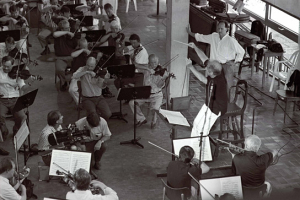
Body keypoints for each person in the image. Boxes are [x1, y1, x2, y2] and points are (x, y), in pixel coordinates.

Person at [187, 20, 245, 95]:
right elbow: (201, 37)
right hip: (214, 66)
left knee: (227, 87)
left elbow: (242, 52)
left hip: (226, 66)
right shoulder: (214, 36)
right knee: (211, 85)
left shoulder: (231, 41)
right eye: (218, 28)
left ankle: (228, 103)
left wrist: (235, 62)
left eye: (222, 29)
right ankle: (211, 102)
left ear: (227, 29)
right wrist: (189, 32)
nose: (219, 31)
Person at [129, 54, 168, 128]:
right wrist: (147, 69)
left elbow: (159, 85)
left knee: (156, 108)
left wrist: (164, 78)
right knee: (132, 103)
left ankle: (154, 120)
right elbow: (136, 65)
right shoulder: (146, 68)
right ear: (149, 62)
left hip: (157, 95)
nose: (154, 65)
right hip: (145, 94)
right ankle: (141, 119)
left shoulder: (161, 71)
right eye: (152, 62)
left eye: (155, 63)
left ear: (158, 62)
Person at [72, 57, 113, 121]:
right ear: (86, 63)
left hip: (99, 97)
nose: (89, 67)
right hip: (87, 98)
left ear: (95, 65)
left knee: (108, 114)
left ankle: (99, 124)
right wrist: (86, 72)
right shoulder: (82, 69)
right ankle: (94, 125)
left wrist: (102, 79)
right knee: (93, 115)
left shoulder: (100, 71)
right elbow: (74, 76)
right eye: (88, 65)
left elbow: (102, 86)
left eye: (91, 66)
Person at [0, 56, 27, 139]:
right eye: (4, 65)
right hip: (1, 99)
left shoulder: (17, 72)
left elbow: (23, 86)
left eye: (8, 66)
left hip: (15, 99)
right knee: (0, 116)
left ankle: (16, 128)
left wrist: (25, 84)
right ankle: (4, 131)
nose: (5, 68)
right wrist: (8, 82)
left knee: (22, 116)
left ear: (13, 65)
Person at [53, 19, 78, 91]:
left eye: (69, 27)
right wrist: (67, 32)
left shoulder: (72, 35)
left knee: (79, 66)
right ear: (62, 29)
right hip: (60, 57)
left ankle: (71, 81)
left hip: (71, 57)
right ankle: (64, 82)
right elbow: (55, 34)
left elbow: (76, 46)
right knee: (59, 69)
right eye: (66, 28)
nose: (69, 29)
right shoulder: (58, 34)